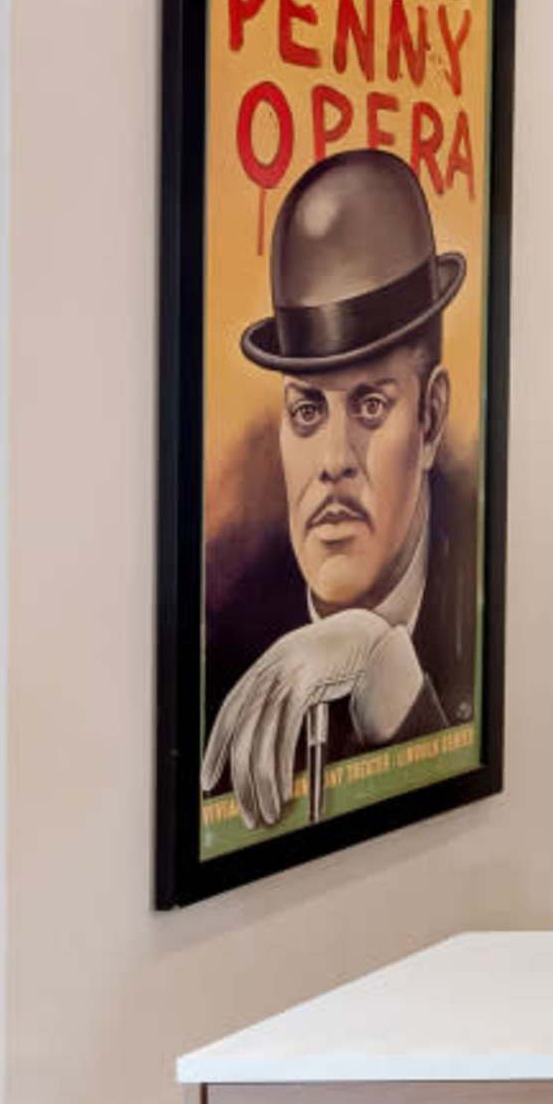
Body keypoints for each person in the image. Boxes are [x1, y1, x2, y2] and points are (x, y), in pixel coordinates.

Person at [201, 150, 482, 831]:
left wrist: (388, 672)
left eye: (369, 406)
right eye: (306, 411)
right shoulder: (226, 618)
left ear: (431, 416)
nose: (333, 461)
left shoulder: (480, 577)